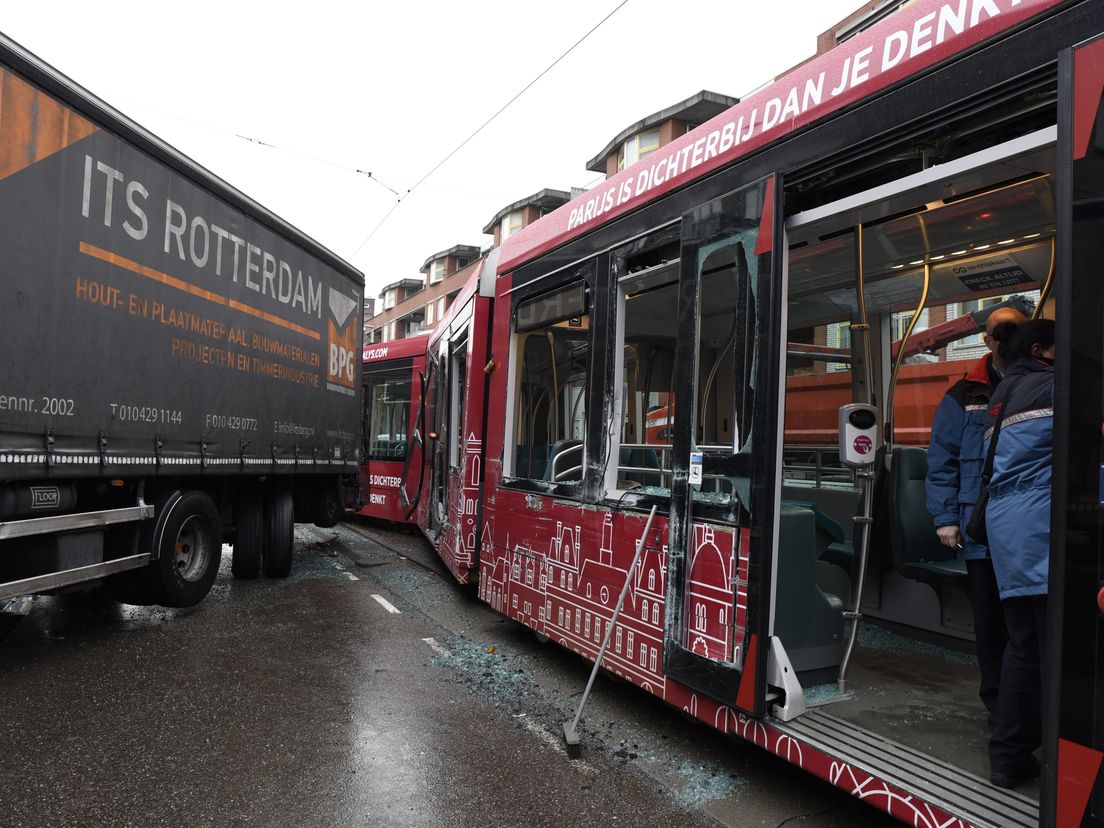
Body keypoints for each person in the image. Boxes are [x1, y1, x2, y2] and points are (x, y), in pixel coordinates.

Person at [926, 305, 1025, 725]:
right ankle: (998, 704)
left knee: (1023, 622)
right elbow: (942, 460)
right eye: (997, 333)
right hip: (979, 524)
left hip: (1024, 526)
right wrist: (945, 518)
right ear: (987, 340)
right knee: (989, 624)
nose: (1003, 340)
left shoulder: (1038, 383)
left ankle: (1024, 703)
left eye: (1013, 331)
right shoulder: (963, 395)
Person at [982, 318, 1055, 789]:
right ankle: (1031, 756)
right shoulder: (1052, 385)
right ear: (1042, 349)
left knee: (1025, 644)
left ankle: (1009, 756)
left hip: (1009, 526)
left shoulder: (1004, 391)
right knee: (1048, 647)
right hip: (1041, 524)